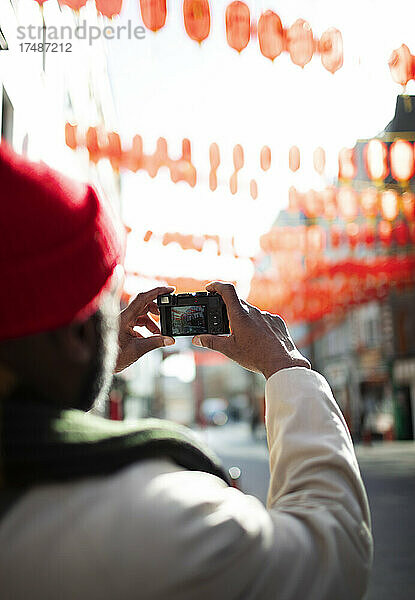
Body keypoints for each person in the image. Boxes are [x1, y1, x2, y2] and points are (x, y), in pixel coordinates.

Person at [0, 144, 372, 599]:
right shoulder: (157, 518)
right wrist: (285, 365)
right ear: (75, 338)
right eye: (103, 301)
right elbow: (333, 555)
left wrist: (91, 365)